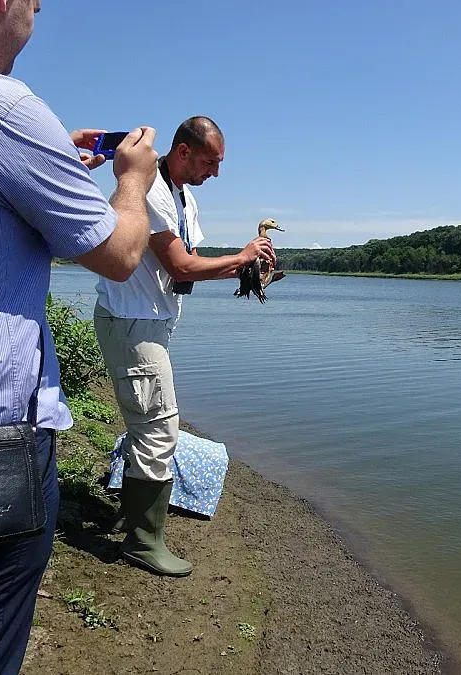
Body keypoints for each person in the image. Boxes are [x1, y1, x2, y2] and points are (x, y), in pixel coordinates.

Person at [0, 1, 159, 673]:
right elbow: (122, 252)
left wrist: (46, 165)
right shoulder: (1, 107)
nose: (37, 17)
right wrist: (133, 182)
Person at [93, 116, 275, 577]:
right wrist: (242, 256)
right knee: (158, 426)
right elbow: (180, 264)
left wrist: (245, 268)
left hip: (151, 323)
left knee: (151, 422)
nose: (215, 173)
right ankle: (143, 541)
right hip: (132, 322)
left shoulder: (184, 197)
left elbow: (188, 266)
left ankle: (134, 515)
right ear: (183, 151)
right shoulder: (150, 190)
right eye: (210, 162)